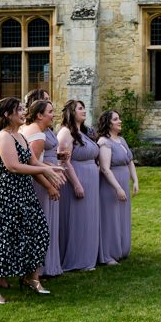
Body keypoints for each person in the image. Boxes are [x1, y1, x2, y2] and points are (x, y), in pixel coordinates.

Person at [0, 96, 66, 304]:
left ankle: (30, 277)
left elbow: (32, 160)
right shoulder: (3, 136)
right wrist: (44, 169)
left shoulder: (20, 136)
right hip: (8, 191)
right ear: (8, 114)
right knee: (6, 238)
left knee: (39, 230)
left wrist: (50, 168)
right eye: (18, 109)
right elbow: (13, 166)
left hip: (24, 190)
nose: (22, 112)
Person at [21, 99, 63, 279]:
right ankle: (40, 268)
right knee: (42, 224)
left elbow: (34, 160)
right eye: (50, 112)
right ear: (39, 115)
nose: (54, 115)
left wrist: (51, 165)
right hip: (37, 184)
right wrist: (49, 187)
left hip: (30, 180)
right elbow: (33, 166)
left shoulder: (27, 129)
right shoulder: (38, 135)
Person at [57, 99, 100, 272]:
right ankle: (76, 258)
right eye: (80, 108)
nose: (84, 111)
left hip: (91, 180)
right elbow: (65, 162)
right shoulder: (65, 133)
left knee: (88, 219)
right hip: (77, 179)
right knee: (77, 219)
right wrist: (76, 184)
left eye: (83, 108)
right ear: (71, 112)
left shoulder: (82, 133)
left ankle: (87, 256)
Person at [97, 109, 139, 265]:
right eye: (116, 119)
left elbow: (130, 161)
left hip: (123, 182)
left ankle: (121, 249)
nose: (120, 121)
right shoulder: (104, 142)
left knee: (121, 216)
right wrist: (118, 188)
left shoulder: (121, 140)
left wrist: (135, 181)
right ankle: (108, 254)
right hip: (111, 186)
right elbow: (105, 168)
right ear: (108, 123)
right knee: (110, 218)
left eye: (119, 118)